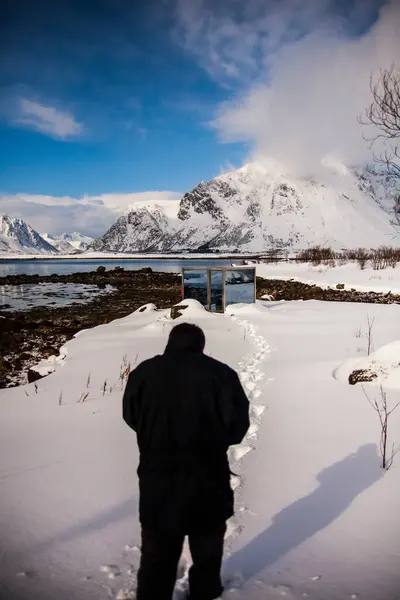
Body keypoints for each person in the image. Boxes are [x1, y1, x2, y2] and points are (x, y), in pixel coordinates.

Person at [123, 322, 250, 600]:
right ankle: (206, 593)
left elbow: (132, 416)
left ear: (169, 343)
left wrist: (155, 434)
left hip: (158, 479)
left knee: (156, 555)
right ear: (201, 346)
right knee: (207, 552)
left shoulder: (144, 373)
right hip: (208, 478)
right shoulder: (222, 374)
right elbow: (237, 427)